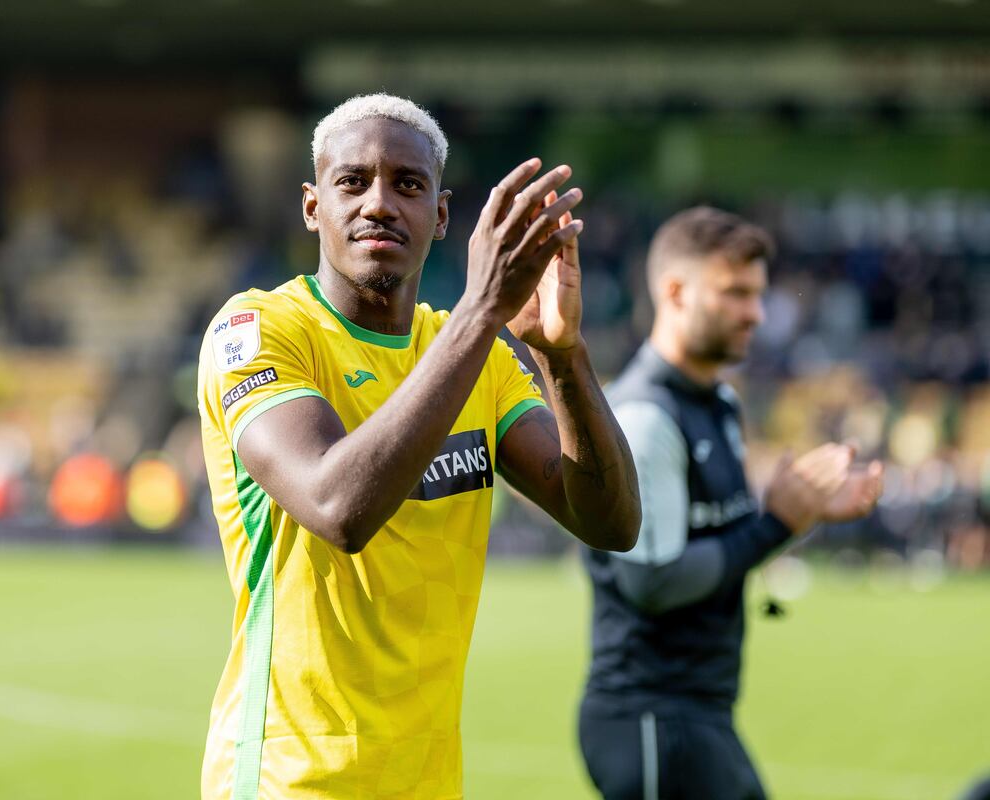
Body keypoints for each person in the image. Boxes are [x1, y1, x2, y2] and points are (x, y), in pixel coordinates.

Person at [196, 93, 641, 799]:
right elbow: (339, 506)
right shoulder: (257, 330)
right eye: (352, 182)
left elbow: (610, 522)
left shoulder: (478, 356)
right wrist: (481, 312)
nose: (378, 203)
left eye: (408, 184)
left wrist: (562, 355)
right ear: (314, 206)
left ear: (439, 217)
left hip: (427, 783)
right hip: (291, 780)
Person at [579, 207, 885, 800]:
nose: (756, 314)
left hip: (699, 717)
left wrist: (807, 510)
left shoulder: (718, 401)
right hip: (651, 719)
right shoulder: (644, 418)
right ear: (675, 292)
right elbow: (653, 580)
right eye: (735, 293)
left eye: (759, 294)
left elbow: (718, 537)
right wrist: (777, 523)